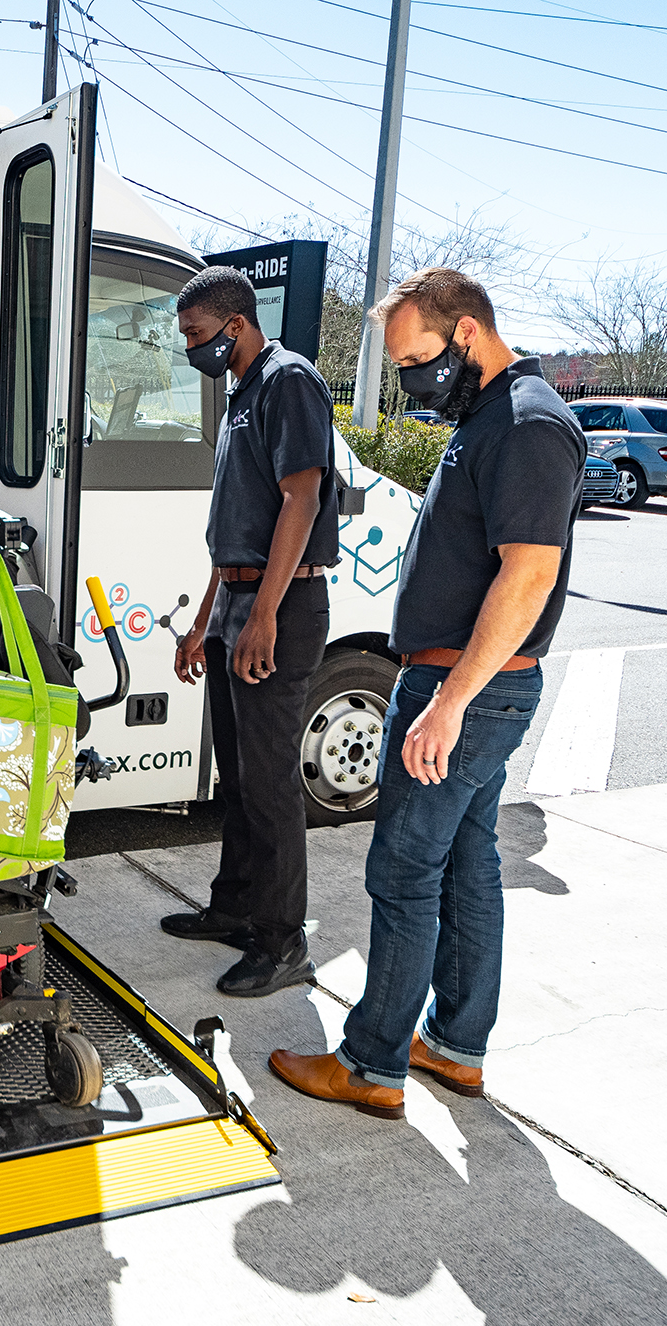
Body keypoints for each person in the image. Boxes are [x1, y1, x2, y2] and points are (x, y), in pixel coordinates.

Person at [270, 269, 583, 1118]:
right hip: (462, 683)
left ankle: (371, 1066)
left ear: (468, 336)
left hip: (466, 690)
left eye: (418, 361)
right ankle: (454, 1047)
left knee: (404, 871)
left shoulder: (526, 426)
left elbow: (530, 574)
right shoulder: (489, 416)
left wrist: (447, 703)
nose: (413, 381)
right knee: (467, 867)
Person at [162, 266, 339, 997]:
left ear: (235, 324)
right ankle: (235, 907)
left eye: (196, 335)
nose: (190, 349)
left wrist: (263, 613)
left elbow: (304, 497)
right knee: (236, 777)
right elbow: (235, 525)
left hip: (282, 605)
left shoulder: (288, 380)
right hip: (237, 599)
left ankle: (281, 940)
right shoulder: (241, 392)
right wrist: (206, 617)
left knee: (269, 785)